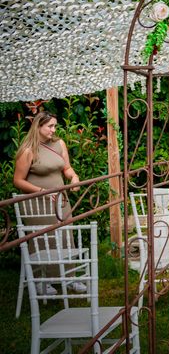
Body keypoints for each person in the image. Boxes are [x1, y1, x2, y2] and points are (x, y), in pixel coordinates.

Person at [13, 110, 84, 294]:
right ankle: (41, 281)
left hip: (60, 200)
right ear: (38, 126)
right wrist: (42, 192)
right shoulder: (28, 151)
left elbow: (66, 168)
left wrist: (74, 177)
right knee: (43, 239)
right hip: (38, 203)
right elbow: (18, 180)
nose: (54, 129)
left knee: (66, 235)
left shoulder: (59, 144)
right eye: (50, 126)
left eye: (55, 126)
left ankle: (69, 277)